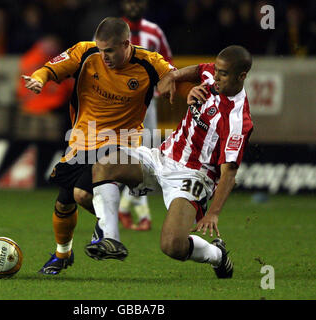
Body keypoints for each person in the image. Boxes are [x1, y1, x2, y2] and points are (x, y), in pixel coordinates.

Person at [21, 17, 175, 275]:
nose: (104, 56)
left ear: (126, 44)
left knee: (82, 194)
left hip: (120, 143)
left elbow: (173, 74)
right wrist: (39, 79)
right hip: (82, 139)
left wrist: (177, 82)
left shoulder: (149, 62)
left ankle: (106, 230)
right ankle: (63, 254)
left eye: (110, 51)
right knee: (64, 202)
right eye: (101, 50)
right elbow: (49, 68)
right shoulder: (84, 52)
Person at [85, 45, 253, 279]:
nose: (216, 76)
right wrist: (174, 76)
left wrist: (213, 213)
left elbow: (229, 174)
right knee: (105, 165)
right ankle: (110, 239)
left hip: (193, 176)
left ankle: (217, 254)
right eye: (217, 70)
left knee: (172, 245)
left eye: (223, 74)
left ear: (241, 76)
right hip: (162, 157)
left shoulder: (237, 120)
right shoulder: (210, 76)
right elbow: (200, 69)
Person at [118, 0, 173, 231]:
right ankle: (140, 212)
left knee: (145, 157)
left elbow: (167, 63)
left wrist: (161, 85)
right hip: (119, 104)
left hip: (148, 104)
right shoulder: (111, 29)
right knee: (130, 157)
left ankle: (125, 207)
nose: (133, 5)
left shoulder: (154, 31)